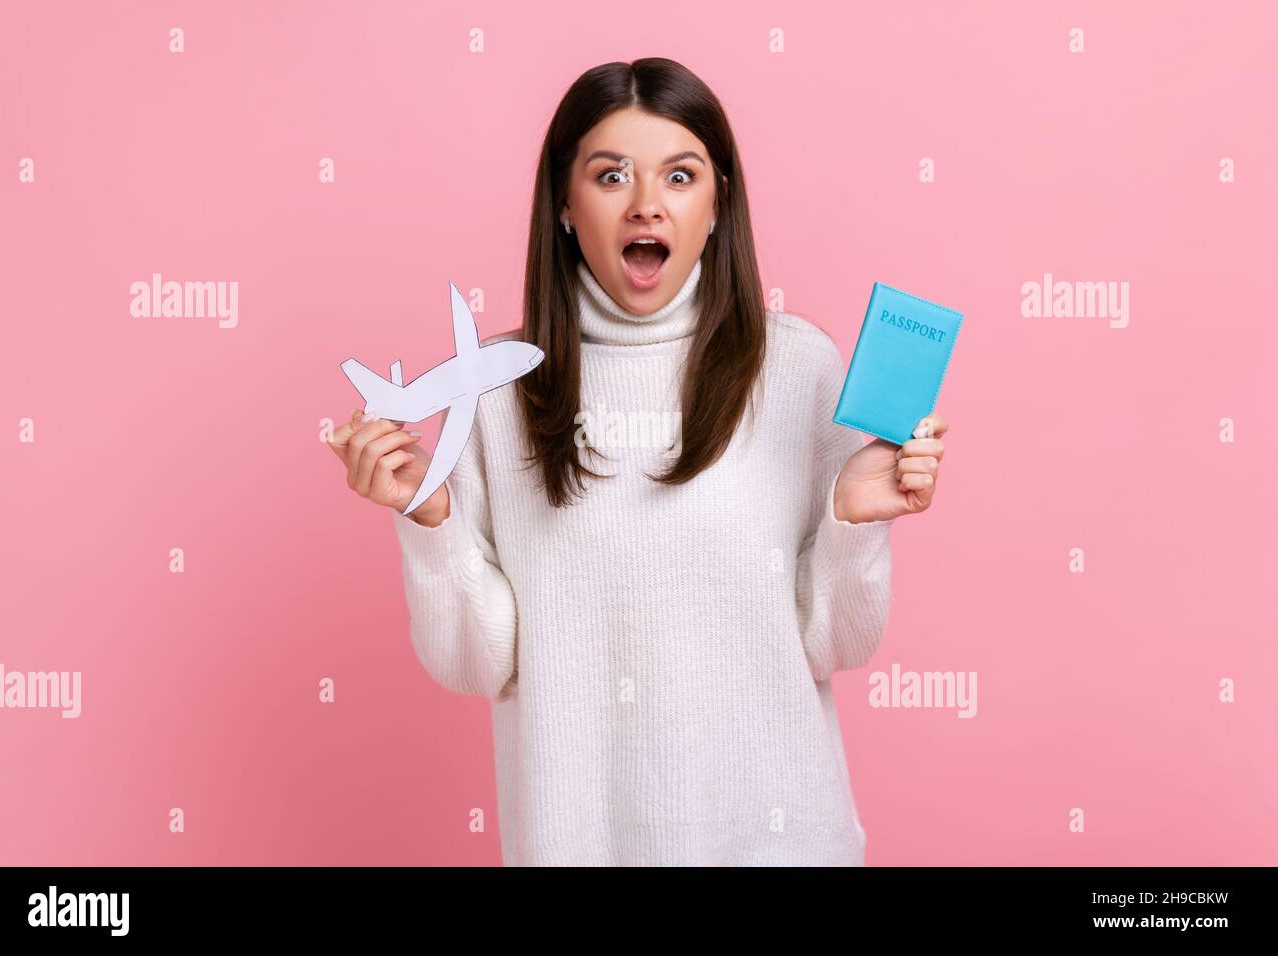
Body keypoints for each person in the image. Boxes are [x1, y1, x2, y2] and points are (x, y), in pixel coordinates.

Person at [328, 57, 949, 866]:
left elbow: (834, 643)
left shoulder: (798, 370)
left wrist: (852, 524)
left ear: (719, 201)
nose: (646, 203)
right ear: (563, 201)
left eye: (680, 175)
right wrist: (432, 523)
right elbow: (479, 666)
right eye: (611, 174)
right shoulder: (497, 389)